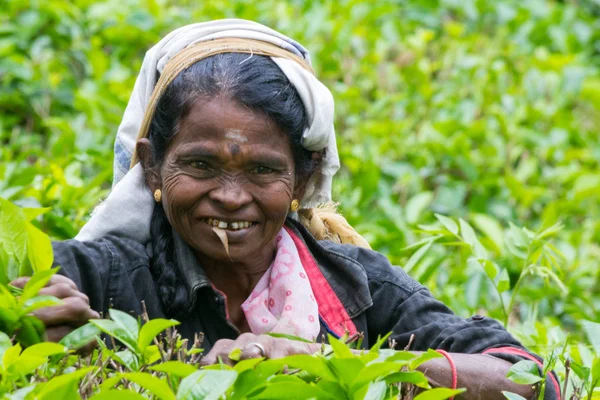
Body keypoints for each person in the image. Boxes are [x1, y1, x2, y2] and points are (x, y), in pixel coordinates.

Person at [12, 19, 560, 399]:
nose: (230, 196)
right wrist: (25, 322)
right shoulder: (98, 276)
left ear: (302, 176)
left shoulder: (358, 292)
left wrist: (336, 368)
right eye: (200, 166)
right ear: (152, 168)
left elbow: (534, 383)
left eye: (262, 170)